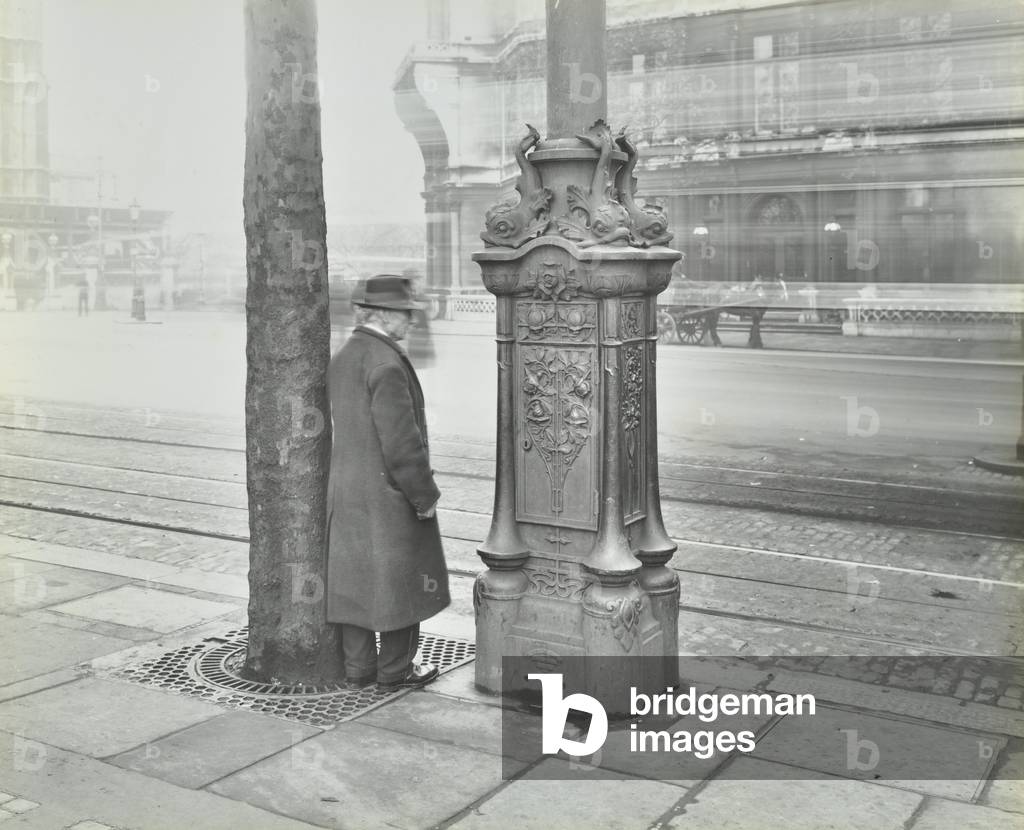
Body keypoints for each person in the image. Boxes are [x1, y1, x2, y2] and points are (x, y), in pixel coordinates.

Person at [325, 274, 451, 690]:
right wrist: (423, 496)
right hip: (388, 496)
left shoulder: (345, 355)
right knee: (402, 583)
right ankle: (396, 670)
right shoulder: (386, 363)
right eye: (405, 314)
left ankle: (359, 670)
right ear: (382, 314)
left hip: (347, 493)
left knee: (356, 581)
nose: (411, 322)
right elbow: (402, 445)